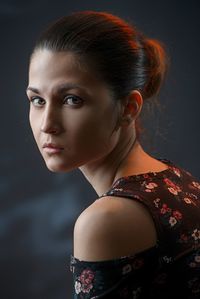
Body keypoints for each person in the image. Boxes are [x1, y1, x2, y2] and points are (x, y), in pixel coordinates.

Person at [26, 10, 200, 299]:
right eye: (37, 100)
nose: (47, 124)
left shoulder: (107, 221)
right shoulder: (182, 183)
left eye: (72, 99)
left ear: (129, 107)